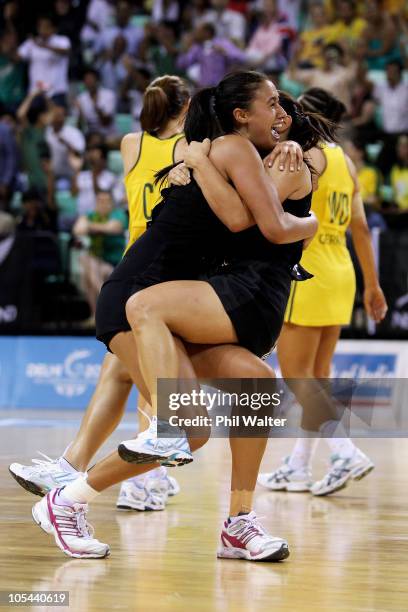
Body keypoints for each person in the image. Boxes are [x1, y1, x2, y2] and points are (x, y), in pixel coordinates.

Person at [28, 72, 329, 561]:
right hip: (140, 293)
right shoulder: (227, 149)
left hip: (181, 297)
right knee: (185, 426)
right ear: (239, 116)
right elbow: (249, 221)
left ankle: (238, 523)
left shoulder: (243, 156)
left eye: (284, 107)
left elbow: (266, 209)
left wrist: (200, 161)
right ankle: (68, 495)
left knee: (251, 386)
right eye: (272, 104)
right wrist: (195, 160)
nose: (282, 114)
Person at [258, 88, 388, 496]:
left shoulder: (302, 154)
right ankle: (298, 465)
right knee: (317, 377)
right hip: (341, 269)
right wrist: (373, 285)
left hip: (309, 265)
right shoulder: (345, 160)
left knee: (296, 373)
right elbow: (362, 228)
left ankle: (344, 450)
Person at [73, 189, 127, 318]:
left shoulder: (118, 214)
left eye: (106, 201)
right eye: (100, 201)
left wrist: (90, 226)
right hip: (98, 263)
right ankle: (102, 308)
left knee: (89, 270)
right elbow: (78, 230)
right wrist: (99, 226)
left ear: (112, 203)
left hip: (117, 264)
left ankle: (98, 313)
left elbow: (114, 228)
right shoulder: (91, 214)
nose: (103, 204)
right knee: (86, 263)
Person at [17, 14, 71, 106]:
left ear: (54, 28)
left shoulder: (62, 40)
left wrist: (44, 46)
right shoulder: (31, 43)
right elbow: (17, 57)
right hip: (35, 93)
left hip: (56, 92)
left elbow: (66, 51)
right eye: (40, 26)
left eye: (46, 26)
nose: (43, 29)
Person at [177, 23, 246, 87]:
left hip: (221, 86)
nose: (195, 34)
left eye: (198, 32)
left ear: (207, 33)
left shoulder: (222, 43)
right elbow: (182, 65)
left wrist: (225, 52)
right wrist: (185, 50)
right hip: (204, 88)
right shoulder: (197, 47)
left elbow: (242, 58)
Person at [45, 104, 85, 186]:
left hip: (70, 176)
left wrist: (66, 144)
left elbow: (79, 154)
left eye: (60, 115)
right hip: (50, 175)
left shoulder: (73, 132)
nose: (57, 118)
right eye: (55, 115)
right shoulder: (46, 132)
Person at [76, 68, 117, 137]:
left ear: (97, 80)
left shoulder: (109, 95)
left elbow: (106, 122)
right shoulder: (80, 98)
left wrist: (95, 104)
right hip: (90, 134)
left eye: (91, 79)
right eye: (86, 79)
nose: (89, 82)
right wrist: (80, 113)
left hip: (108, 134)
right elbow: (79, 127)